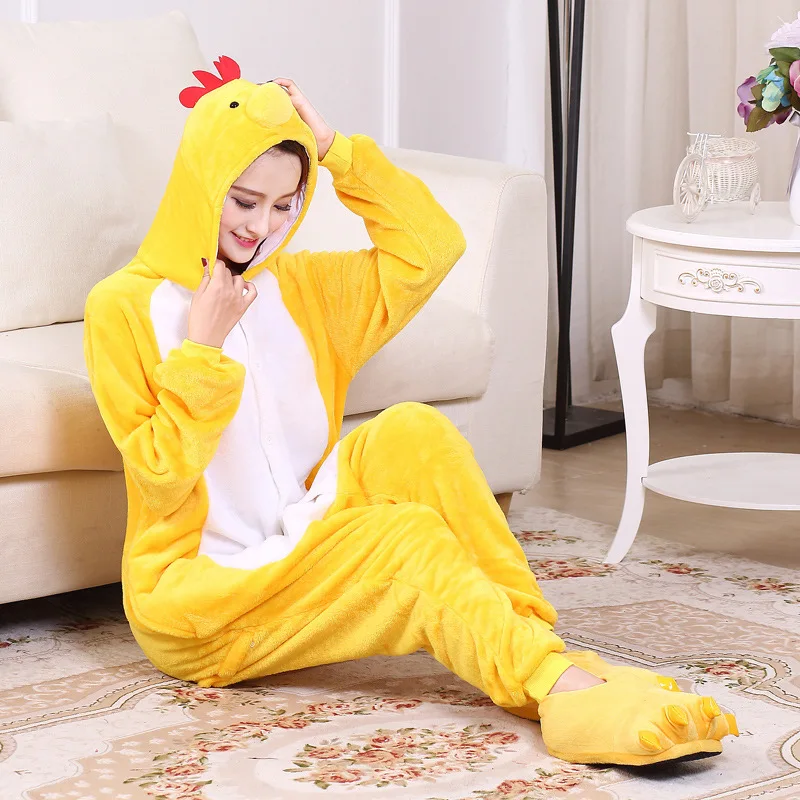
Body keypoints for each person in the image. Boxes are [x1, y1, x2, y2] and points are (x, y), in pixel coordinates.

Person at [83, 56, 738, 767]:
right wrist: (202, 352)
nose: (261, 226)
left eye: (283, 205)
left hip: (301, 534)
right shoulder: (123, 308)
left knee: (413, 431)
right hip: (199, 602)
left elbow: (431, 248)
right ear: (202, 184)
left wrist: (337, 152)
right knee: (405, 540)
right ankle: (559, 685)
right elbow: (160, 477)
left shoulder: (301, 289)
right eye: (242, 201)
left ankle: (543, 661)